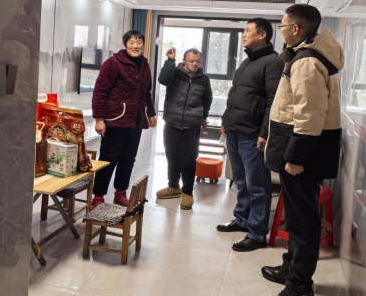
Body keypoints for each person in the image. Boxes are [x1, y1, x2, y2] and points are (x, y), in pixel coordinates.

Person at [261, 4, 344, 296]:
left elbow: (309, 115)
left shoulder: (307, 62)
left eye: (283, 26)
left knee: (303, 222)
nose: (281, 31)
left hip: (301, 155)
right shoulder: (306, 56)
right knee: (297, 218)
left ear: (295, 28)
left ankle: (299, 285)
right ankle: (291, 269)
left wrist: (295, 158)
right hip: (301, 149)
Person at [217, 18, 284, 251]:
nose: (243, 34)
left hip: (253, 134)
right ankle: (242, 219)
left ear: (262, 34)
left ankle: (257, 233)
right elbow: (235, 95)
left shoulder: (273, 62)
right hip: (235, 130)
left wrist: (265, 132)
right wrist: (225, 121)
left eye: (248, 30)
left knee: (257, 185)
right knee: (241, 181)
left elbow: (273, 101)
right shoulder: (248, 61)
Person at [91, 30, 157, 208]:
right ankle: (98, 196)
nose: (135, 46)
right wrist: (99, 119)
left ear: (143, 45)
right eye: (132, 43)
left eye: (139, 43)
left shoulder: (145, 65)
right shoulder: (113, 63)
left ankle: (120, 193)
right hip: (115, 119)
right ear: (125, 44)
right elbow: (100, 92)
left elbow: (146, 93)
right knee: (108, 158)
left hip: (135, 120)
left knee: (128, 159)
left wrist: (151, 113)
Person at [156, 47, 213, 210]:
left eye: (197, 62)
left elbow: (207, 99)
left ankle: (187, 192)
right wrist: (170, 60)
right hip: (171, 123)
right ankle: (173, 187)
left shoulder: (204, 80)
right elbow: (163, 79)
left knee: (188, 159)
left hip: (192, 125)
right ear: (184, 60)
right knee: (172, 156)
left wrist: (204, 116)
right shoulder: (175, 73)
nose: (195, 64)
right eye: (191, 61)